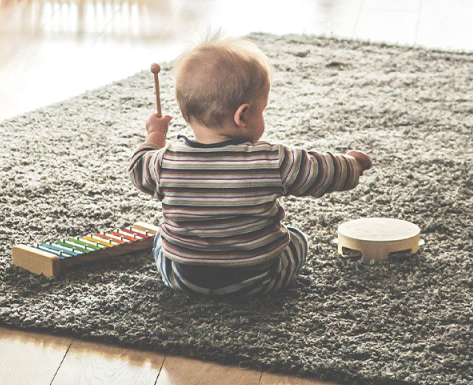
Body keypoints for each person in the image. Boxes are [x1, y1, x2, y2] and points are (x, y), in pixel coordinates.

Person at [128, 35, 372, 298]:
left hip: (185, 279)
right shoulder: (272, 161)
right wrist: (353, 164)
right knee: (298, 238)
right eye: (262, 110)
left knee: (160, 239)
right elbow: (321, 171)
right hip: (259, 279)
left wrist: (155, 135)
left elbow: (138, 167)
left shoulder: (165, 162)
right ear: (242, 115)